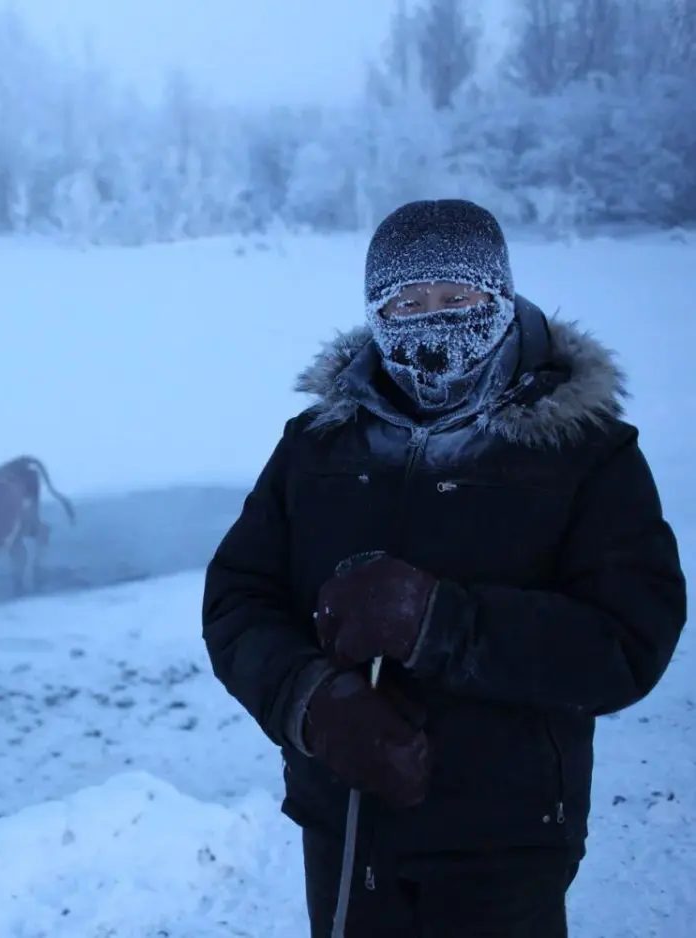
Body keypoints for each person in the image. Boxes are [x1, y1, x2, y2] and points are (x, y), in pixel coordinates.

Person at [201, 198, 687, 937]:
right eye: (407, 302)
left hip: (508, 838)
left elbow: (627, 640)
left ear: (501, 297)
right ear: (376, 312)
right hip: (348, 826)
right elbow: (238, 600)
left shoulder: (586, 452)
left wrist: (440, 623)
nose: (435, 323)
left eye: (459, 298)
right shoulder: (316, 447)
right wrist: (310, 702)